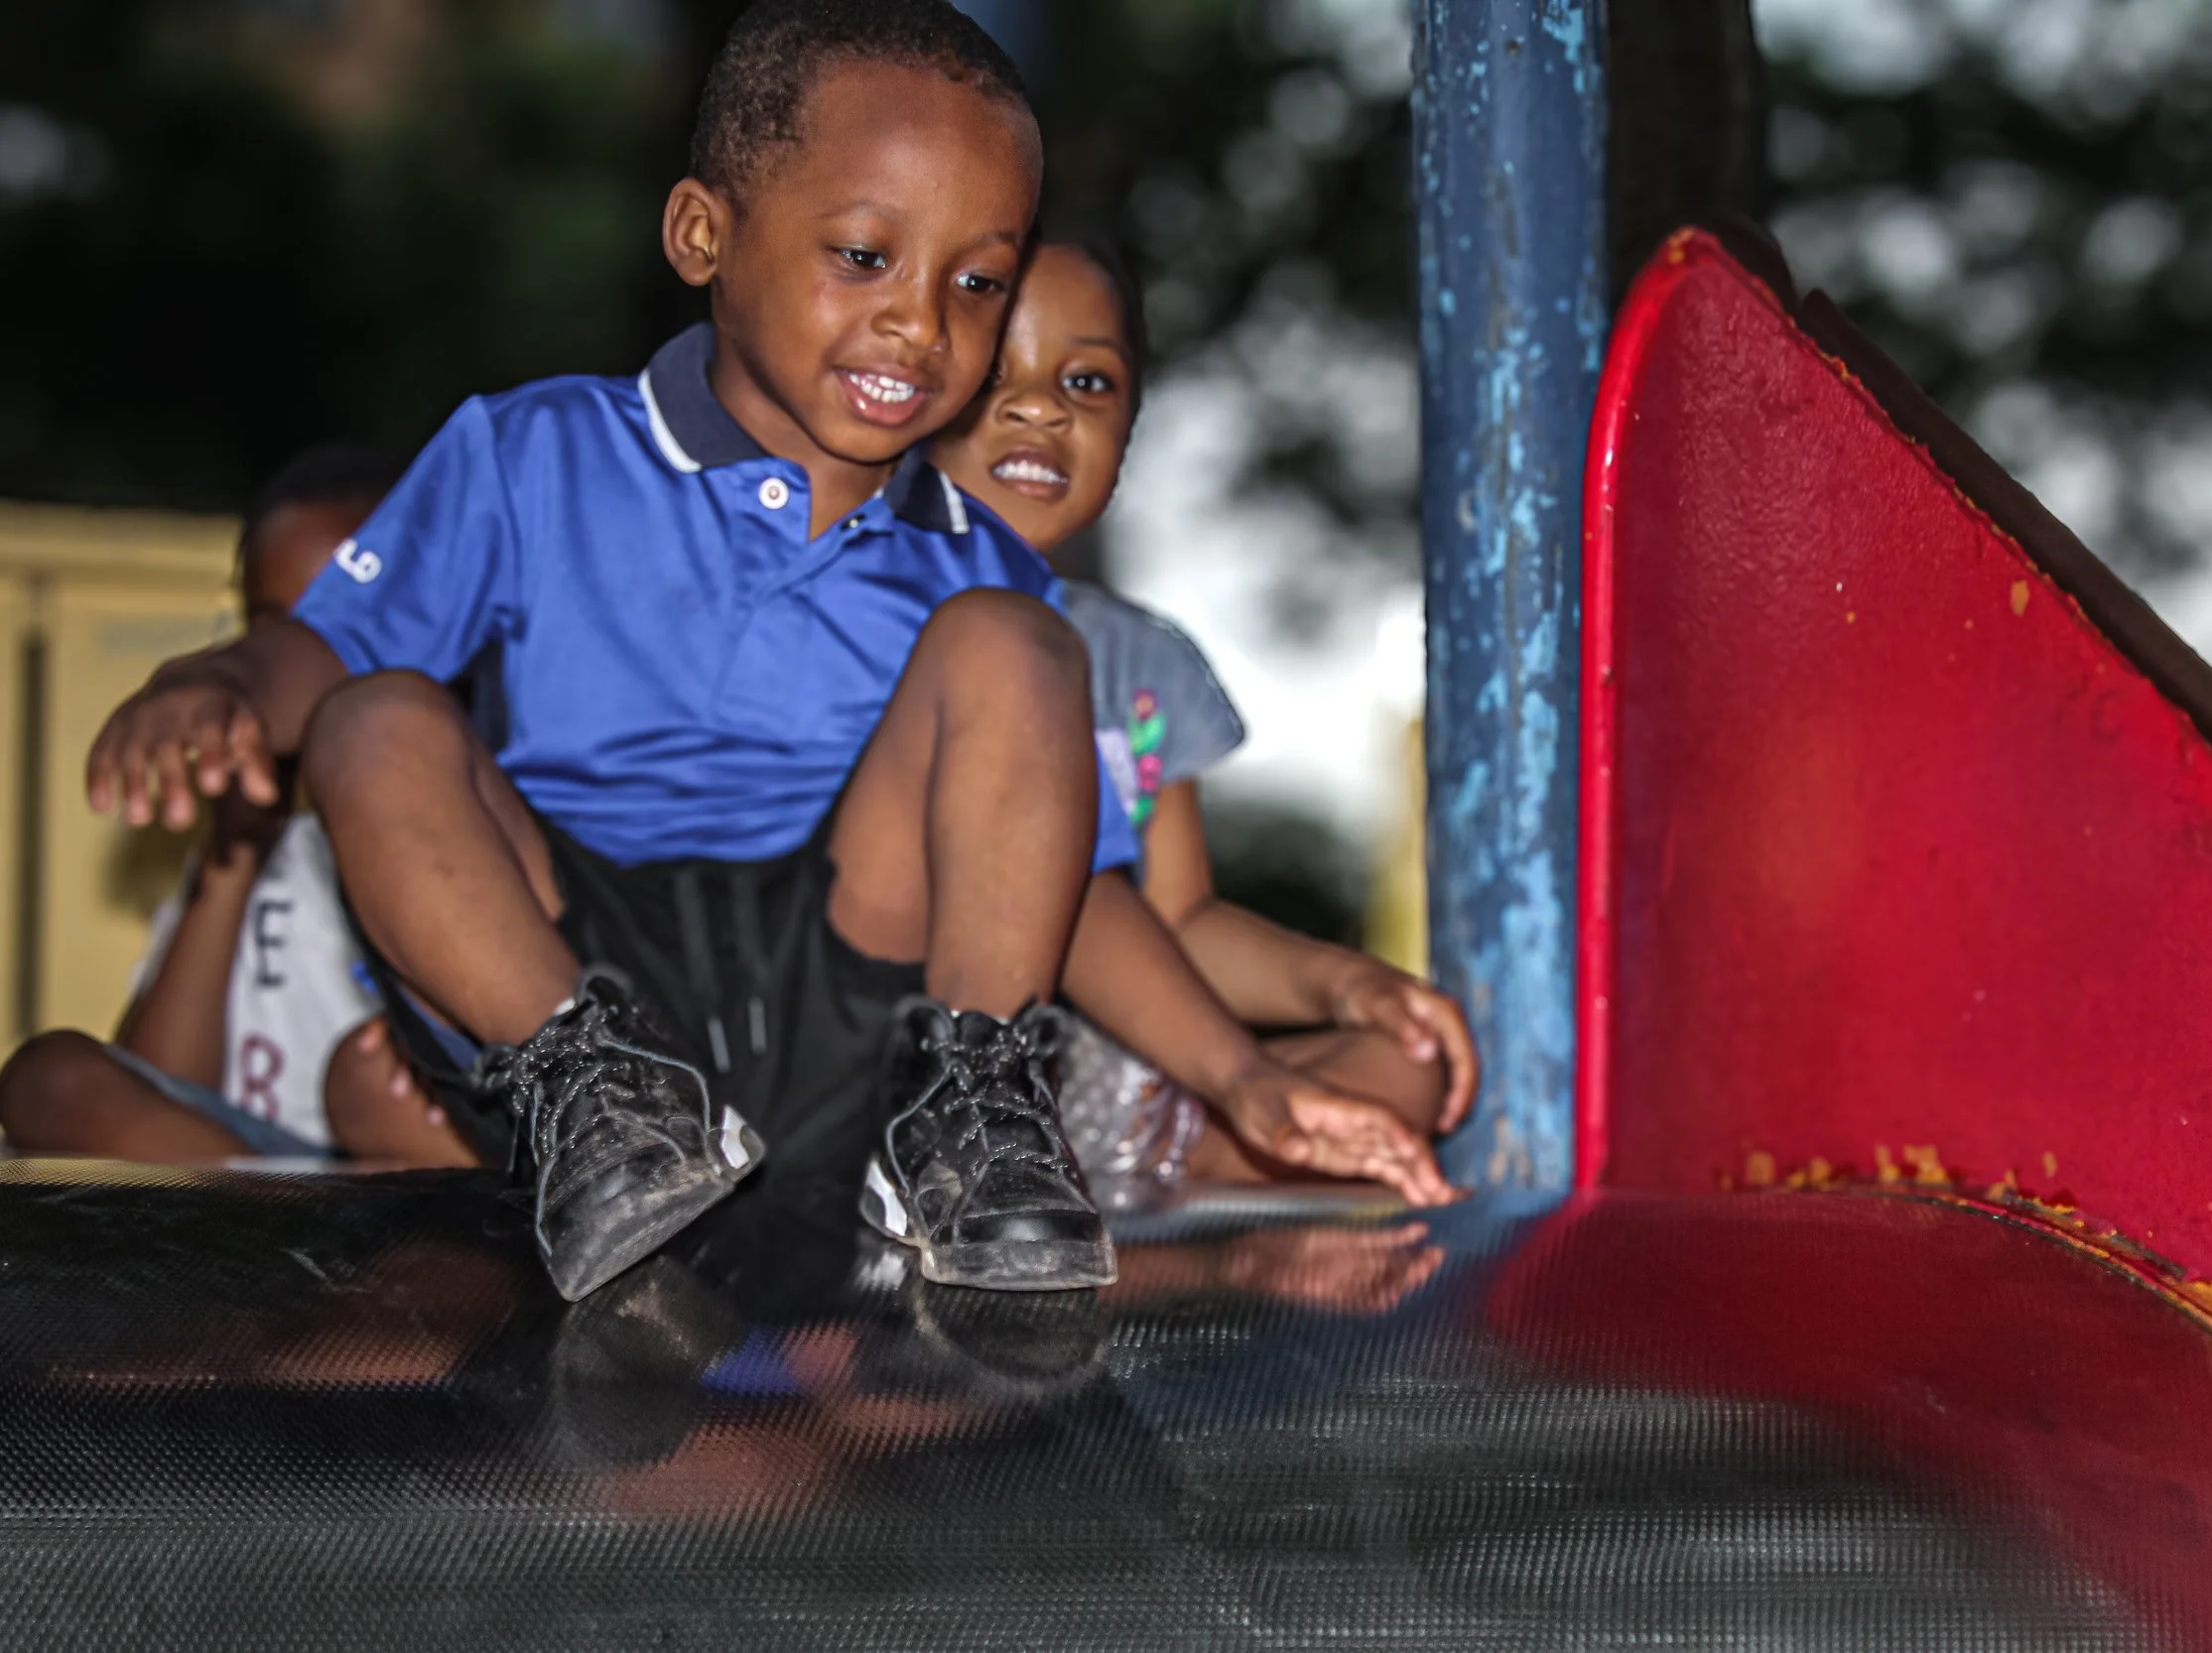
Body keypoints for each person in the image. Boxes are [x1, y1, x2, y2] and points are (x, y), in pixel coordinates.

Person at [82, 0, 1451, 1305]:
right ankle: (595, 1104)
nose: (921, 323)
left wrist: (1237, 1073)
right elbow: (327, 653)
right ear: (702, 233)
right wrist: (218, 686)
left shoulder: (976, 562)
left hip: (845, 1002)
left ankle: (964, 1109)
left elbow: (1080, 890)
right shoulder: (532, 452)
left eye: (975, 282)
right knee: (375, 720)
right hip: (580, 974)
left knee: (1015, 647)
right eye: (864, 256)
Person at [929, 233, 1478, 1207]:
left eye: (1087, 383)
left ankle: (1120, 1170)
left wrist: (1340, 985)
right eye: (991, 375)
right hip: (927, 1052)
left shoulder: (1138, 660)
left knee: (1406, 1066)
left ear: (1131, 425)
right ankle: (1036, 1185)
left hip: (1112, 1068)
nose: (1039, 406)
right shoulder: (868, 623)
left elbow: (1177, 917)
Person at [0, 446, 453, 1165]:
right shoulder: (259, 823)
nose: (308, 665)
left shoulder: (470, 792)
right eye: (275, 630)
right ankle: (276, 1226)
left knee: (373, 1088)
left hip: (408, 1177)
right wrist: (232, 852)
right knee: (49, 1076)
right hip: (247, 1174)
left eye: (343, 631)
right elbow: (160, 1081)